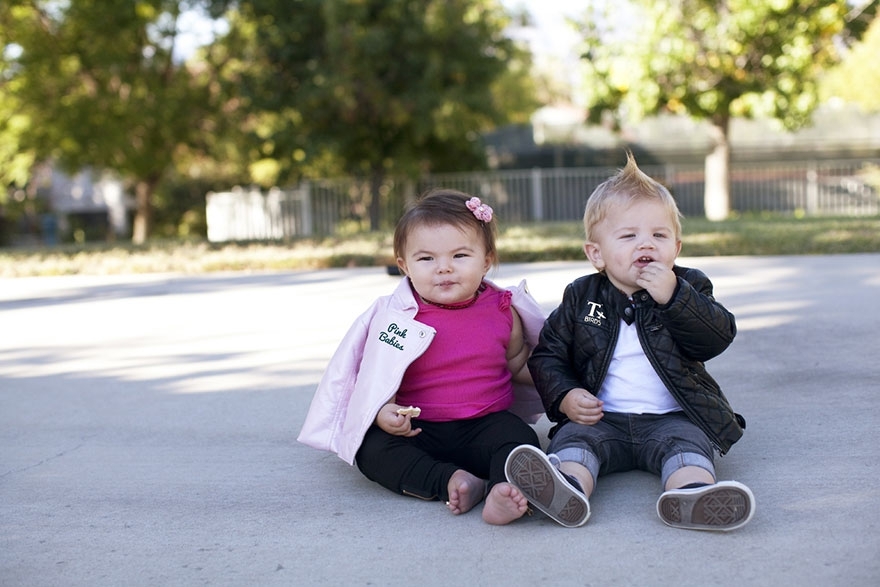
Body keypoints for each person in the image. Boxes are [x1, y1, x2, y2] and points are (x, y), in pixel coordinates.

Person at [505, 152, 755, 531]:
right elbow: (549, 355)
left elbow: (716, 338)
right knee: (575, 442)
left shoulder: (690, 288)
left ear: (676, 248)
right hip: (601, 419)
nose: (646, 245)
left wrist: (675, 298)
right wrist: (566, 396)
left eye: (659, 235)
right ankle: (566, 488)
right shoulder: (581, 295)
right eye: (628, 236)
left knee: (688, 448)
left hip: (674, 417)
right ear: (596, 254)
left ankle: (693, 496)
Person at [298, 188, 547, 525]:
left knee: (520, 439)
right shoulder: (395, 316)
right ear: (405, 266)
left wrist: (563, 380)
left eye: (460, 256)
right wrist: (384, 412)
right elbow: (375, 375)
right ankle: (453, 482)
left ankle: (503, 492)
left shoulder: (502, 310)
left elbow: (518, 363)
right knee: (370, 451)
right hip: (417, 430)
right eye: (426, 259)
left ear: (486, 260)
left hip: (484, 426)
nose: (443, 268)